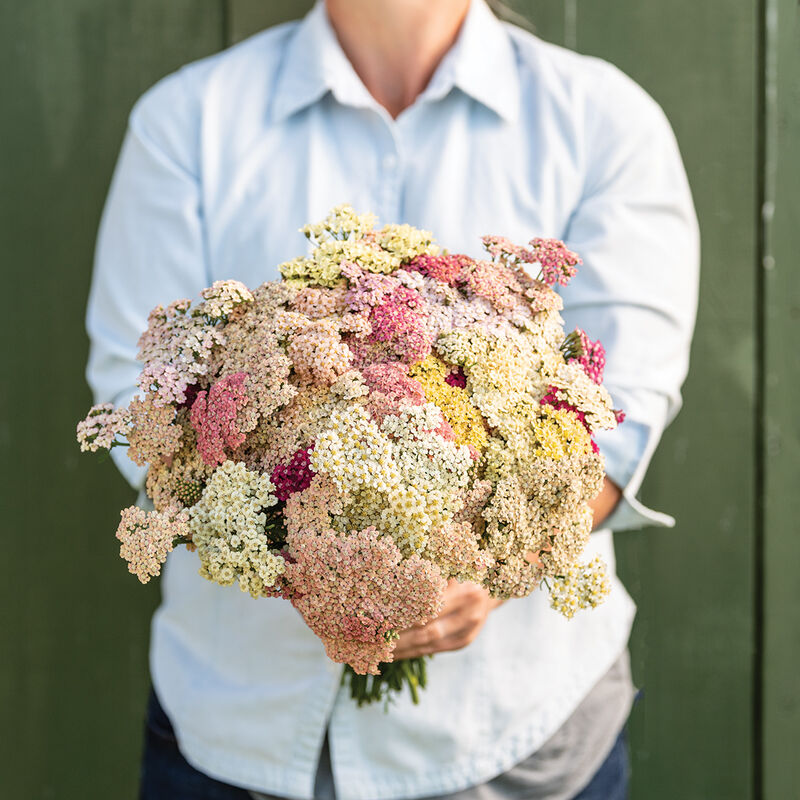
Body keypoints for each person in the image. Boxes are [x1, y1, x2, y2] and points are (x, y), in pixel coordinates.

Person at [85, 1, 699, 798]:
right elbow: (136, 392)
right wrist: (310, 570)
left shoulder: (601, 118)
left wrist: (496, 562)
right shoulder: (188, 120)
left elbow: (625, 405)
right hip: (241, 731)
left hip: (512, 736)